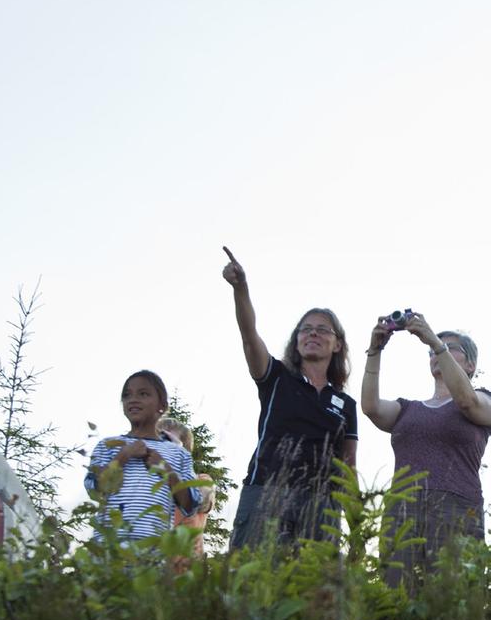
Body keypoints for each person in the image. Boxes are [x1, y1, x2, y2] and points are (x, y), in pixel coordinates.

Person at [222, 247, 357, 550]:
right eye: (305, 329)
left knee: (312, 595)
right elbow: (249, 335)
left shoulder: (345, 405)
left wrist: (357, 526)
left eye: (323, 329)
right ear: (296, 341)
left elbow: (348, 467)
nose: (313, 334)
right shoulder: (276, 377)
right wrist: (240, 289)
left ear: (337, 344)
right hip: (265, 495)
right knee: (254, 590)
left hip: (320, 508)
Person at [361, 314, 491, 588]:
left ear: (470, 364)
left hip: (456, 508)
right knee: (396, 597)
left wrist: (433, 338)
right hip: (402, 511)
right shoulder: (408, 409)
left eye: (449, 347)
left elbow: (467, 401)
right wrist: (375, 350)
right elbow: (371, 407)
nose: (436, 352)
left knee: (451, 602)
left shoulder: (483, 399)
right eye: (432, 351)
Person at [84, 371, 201, 542]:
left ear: (162, 405)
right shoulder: (107, 446)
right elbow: (94, 488)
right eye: (127, 395)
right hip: (108, 551)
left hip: (152, 554)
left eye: (143, 394)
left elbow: (191, 505)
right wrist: (123, 456)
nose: (133, 399)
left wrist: (166, 470)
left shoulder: (178, 453)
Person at [158, 417, 216, 561]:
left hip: (185, 570)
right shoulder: (146, 482)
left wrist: (178, 458)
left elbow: (200, 500)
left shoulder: (202, 480)